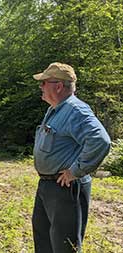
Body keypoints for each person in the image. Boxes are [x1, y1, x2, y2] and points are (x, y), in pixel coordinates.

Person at [32, 62, 111, 253]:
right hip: (48, 186)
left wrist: (75, 171)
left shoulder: (75, 110)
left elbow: (100, 140)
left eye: (44, 82)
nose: (40, 86)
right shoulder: (55, 109)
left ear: (58, 86)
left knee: (65, 246)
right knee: (44, 241)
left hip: (66, 189)